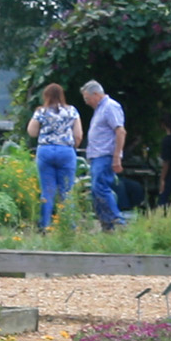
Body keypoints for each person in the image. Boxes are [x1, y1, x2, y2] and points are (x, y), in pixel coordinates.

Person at [27, 82, 82, 231]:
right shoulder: (72, 111)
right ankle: (69, 226)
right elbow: (78, 134)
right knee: (67, 190)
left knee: (47, 190)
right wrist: (70, 147)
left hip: (45, 150)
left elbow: (31, 132)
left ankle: (44, 225)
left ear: (46, 96)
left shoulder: (41, 112)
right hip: (66, 150)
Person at [81, 80, 126, 230]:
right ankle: (107, 224)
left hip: (105, 155)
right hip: (97, 156)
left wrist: (117, 156)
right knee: (96, 189)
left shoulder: (110, 107)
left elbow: (120, 131)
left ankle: (116, 220)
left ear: (96, 94)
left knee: (99, 187)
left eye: (87, 98)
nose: (86, 102)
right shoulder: (100, 109)